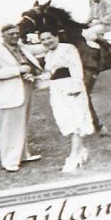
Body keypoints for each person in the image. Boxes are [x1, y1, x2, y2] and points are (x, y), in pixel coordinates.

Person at [0, 24, 42, 172]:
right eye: (11, 34)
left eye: (16, 33)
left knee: (22, 123)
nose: (15, 36)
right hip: (9, 93)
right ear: (3, 36)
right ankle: (9, 161)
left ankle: (22, 155)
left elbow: (41, 49)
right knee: (9, 128)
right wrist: (17, 70)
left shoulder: (22, 47)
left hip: (25, 88)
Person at [38, 29, 94, 173]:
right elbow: (50, 73)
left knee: (75, 120)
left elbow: (76, 68)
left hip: (71, 87)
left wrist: (75, 87)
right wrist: (38, 79)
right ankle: (81, 150)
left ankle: (74, 156)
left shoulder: (68, 48)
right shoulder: (48, 54)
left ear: (56, 36)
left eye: (49, 38)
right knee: (65, 119)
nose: (46, 42)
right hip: (57, 89)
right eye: (43, 39)